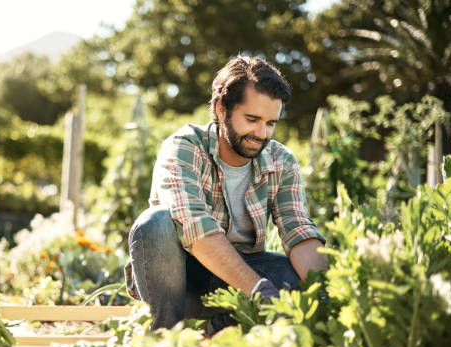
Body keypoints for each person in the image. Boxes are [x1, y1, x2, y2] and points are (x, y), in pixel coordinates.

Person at [125, 55, 327, 332]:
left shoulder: (281, 160)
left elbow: (298, 229)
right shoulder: (184, 147)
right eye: (252, 119)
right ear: (221, 109)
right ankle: (165, 338)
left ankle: (218, 328)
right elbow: (196, 229)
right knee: (155, 223)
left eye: (271, 123)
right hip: (182, 282)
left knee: (294, 276)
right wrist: (258, 289)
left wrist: (325, 292)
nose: (262, 133)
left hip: (237, 279)